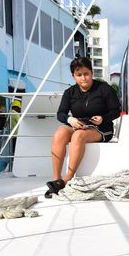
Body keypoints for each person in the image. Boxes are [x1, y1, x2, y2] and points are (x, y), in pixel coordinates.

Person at [47, 57, 120, 197]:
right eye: (78, 75)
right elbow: (60, 113)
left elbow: (116, 110)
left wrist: (103, 118)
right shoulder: (70, 92)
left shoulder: (104, 89)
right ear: (74, 76)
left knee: (78, 136)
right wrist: (70, 119)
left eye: (86, 74)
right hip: (78, 125)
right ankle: (56, 179)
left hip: (101, 128)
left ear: (92, 72)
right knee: (59, 133)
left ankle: (67, 178)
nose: (83, 78)